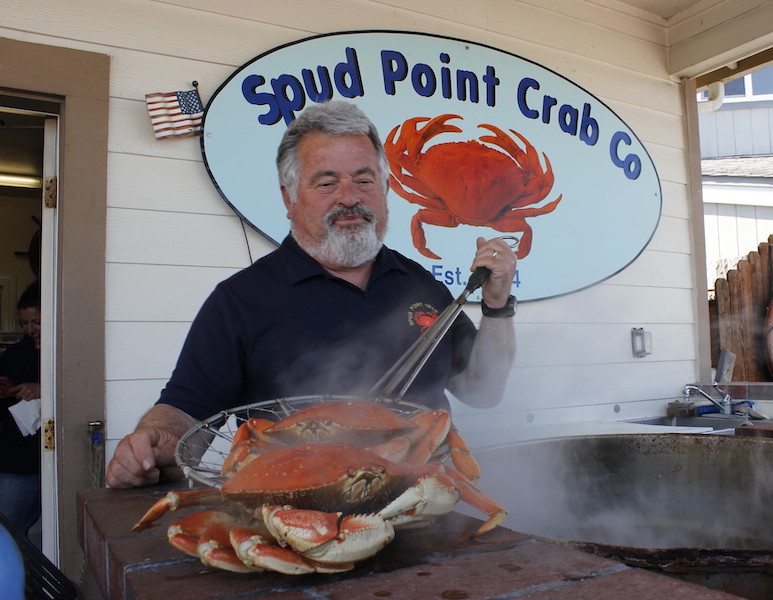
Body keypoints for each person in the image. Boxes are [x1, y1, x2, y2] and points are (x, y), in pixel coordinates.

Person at [106, 101, 517, 489]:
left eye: (364, 179)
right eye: (326, 183)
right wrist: (153, 439)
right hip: (298, 513)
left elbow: (483, 391)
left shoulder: (422, 286)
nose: (349, 197)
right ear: (290, 198)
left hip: (428, 507)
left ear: (386, 189)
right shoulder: (240, 301)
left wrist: (498, 307)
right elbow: (185, 411)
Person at [0, 281, 42, 534]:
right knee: (9, 532)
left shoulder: (61, 350)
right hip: (15, 460)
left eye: (36, 322)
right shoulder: (14, 354)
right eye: (24, 323)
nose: (30, 329)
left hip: (50, 457)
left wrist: (42, 389)